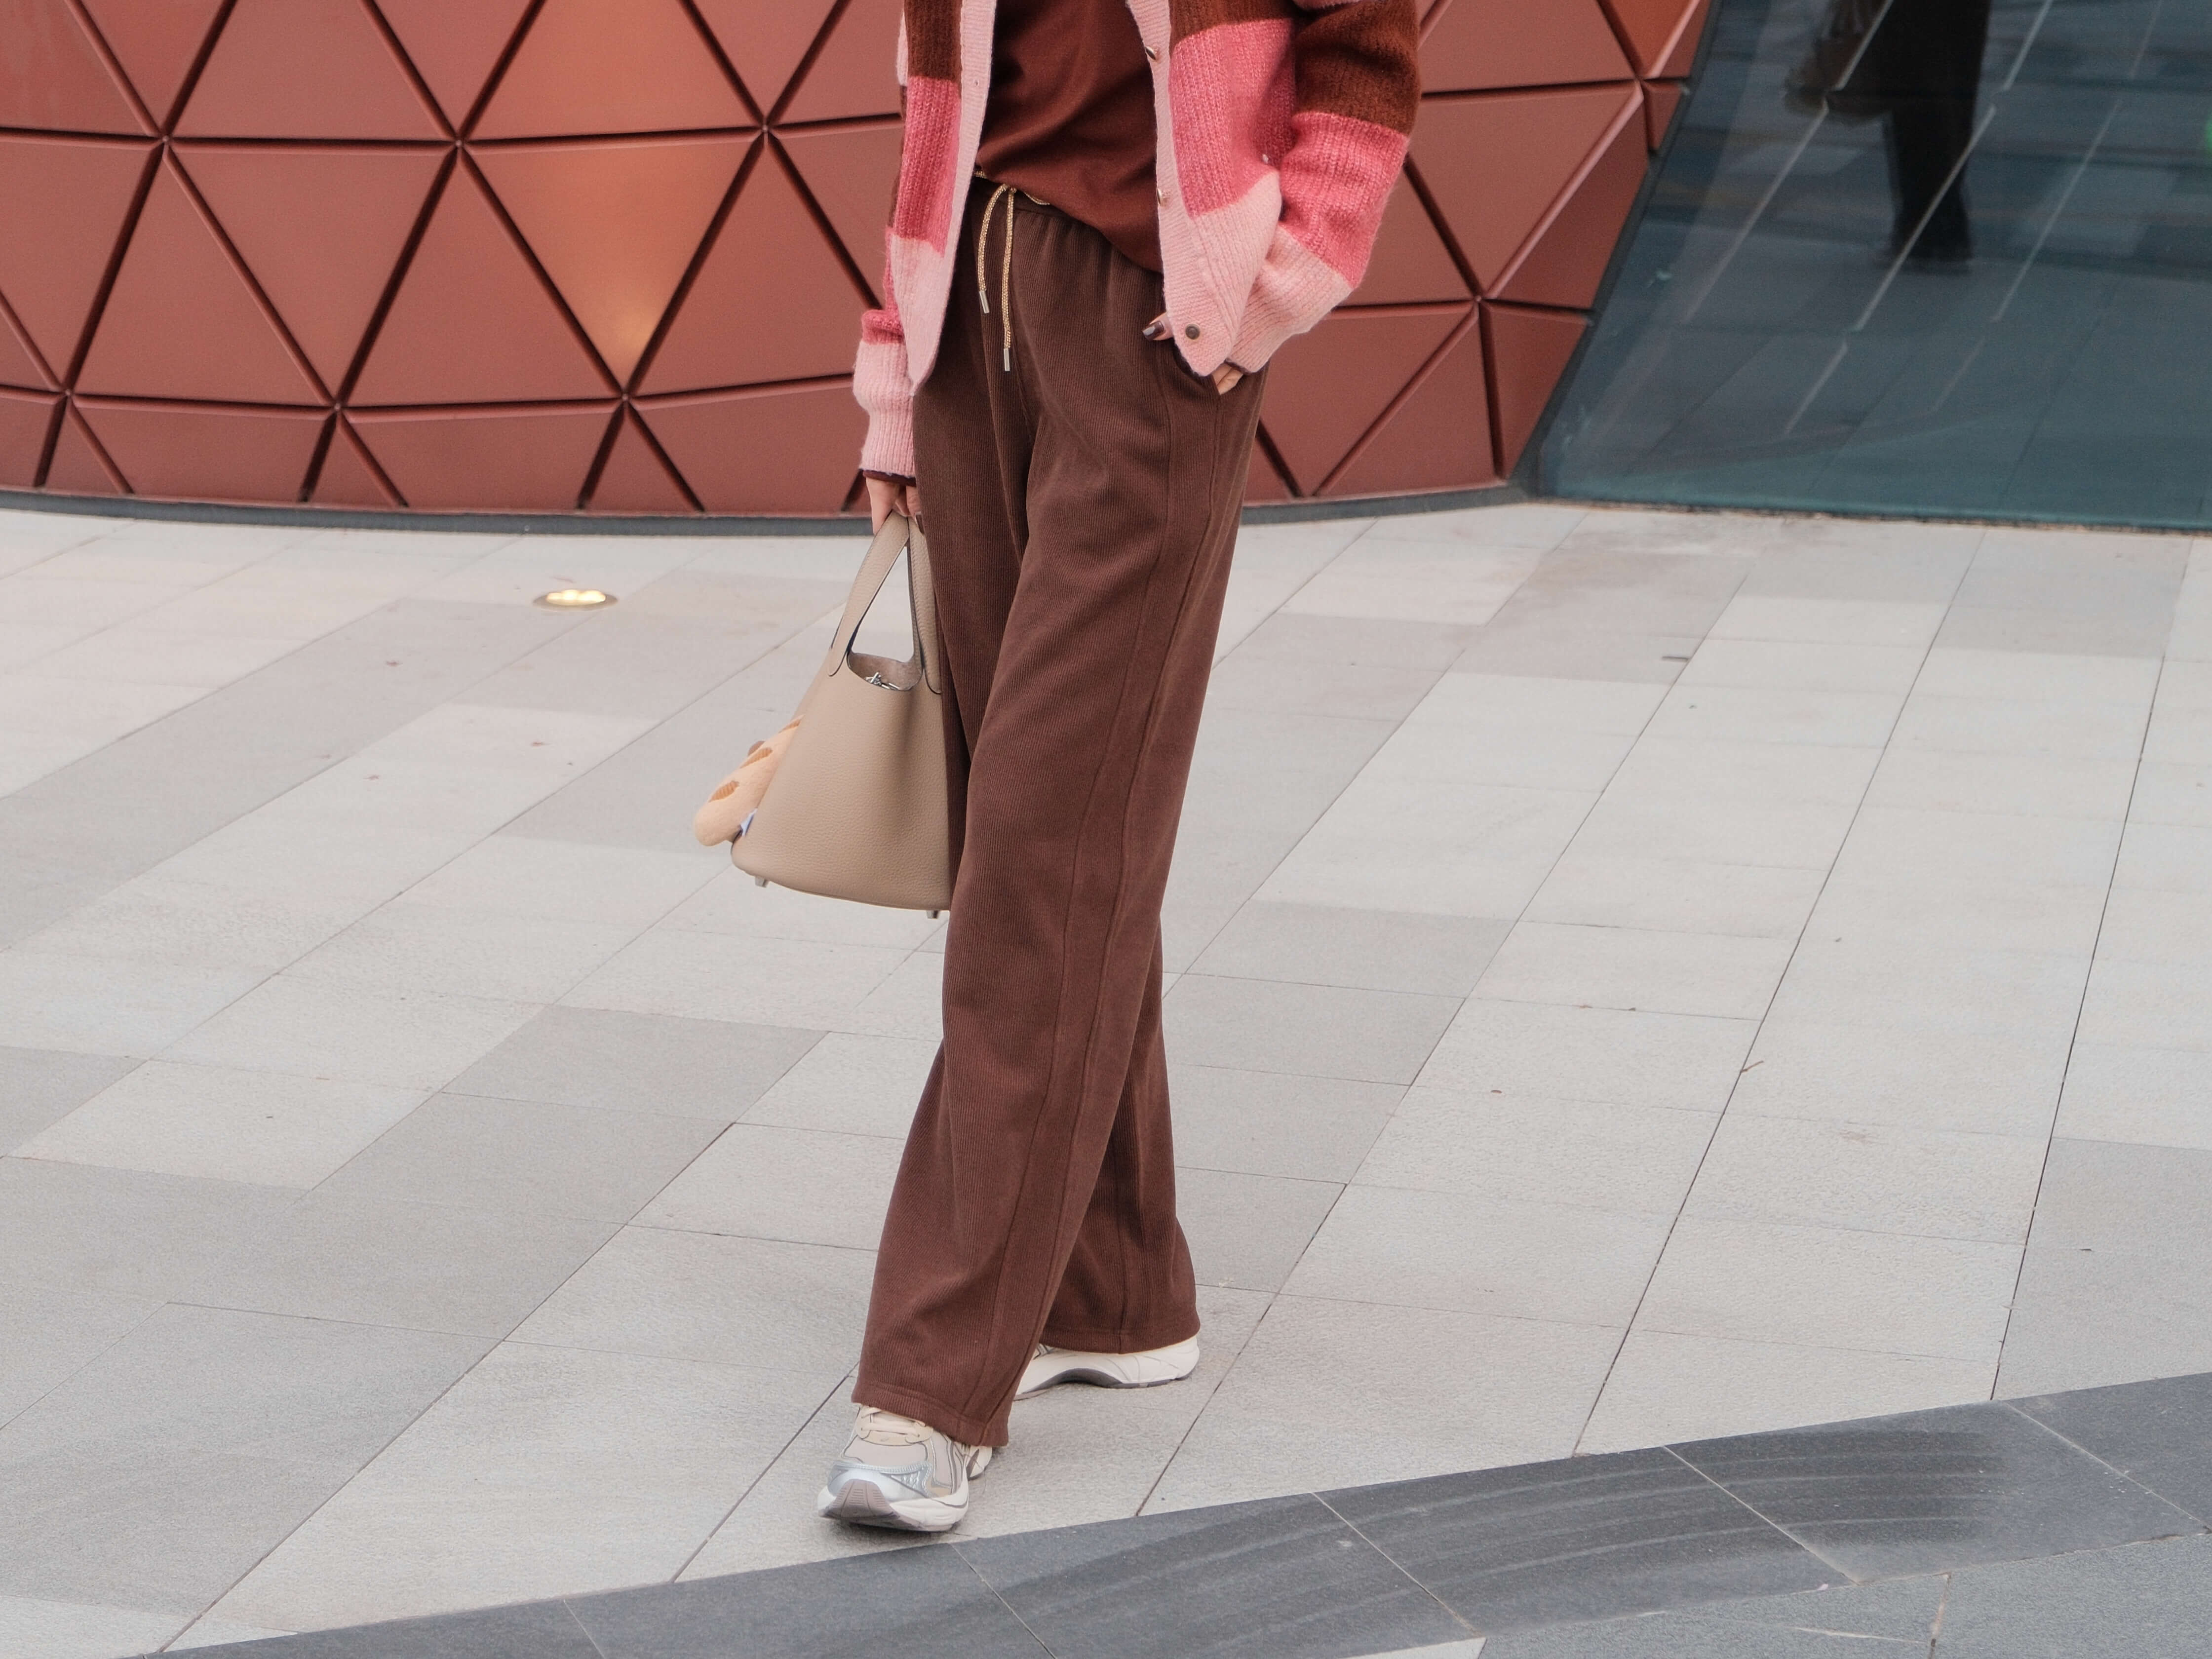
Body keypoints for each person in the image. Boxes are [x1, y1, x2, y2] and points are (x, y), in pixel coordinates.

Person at [817, 0, 1421, 1532]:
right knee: (1043, 829)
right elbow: (936, 93)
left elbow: (1366, 53)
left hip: (1155, 331)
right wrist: (898, 377)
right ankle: (1113, 1285)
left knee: (1041, 857)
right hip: (975, 316)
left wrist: (1280, 279)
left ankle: (933, 1378)